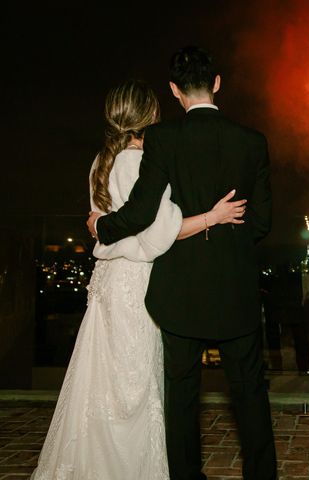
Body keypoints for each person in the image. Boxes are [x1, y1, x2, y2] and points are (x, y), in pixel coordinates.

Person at [31, 79, 246, 479]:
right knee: (134, 386)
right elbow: (160, 231)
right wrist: (212, 218)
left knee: (102, 381)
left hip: (108, 283)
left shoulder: (101, 159)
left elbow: (114, 223)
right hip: (135, 284)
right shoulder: (135, 163)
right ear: (148, 116)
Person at [87, 46, 276, 480]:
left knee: (182, 395)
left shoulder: (162, 139)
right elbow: (261, 223)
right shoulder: (253, 142)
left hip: (178, 291)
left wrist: (101, 229)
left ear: (174, 90)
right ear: (218, 82)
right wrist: (224, 238)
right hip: (235, 290)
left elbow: (139, 214)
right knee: (249, 393)